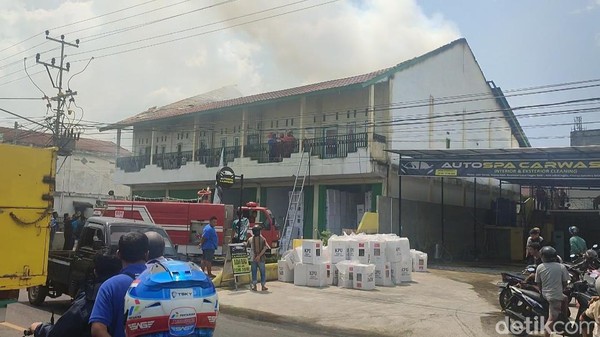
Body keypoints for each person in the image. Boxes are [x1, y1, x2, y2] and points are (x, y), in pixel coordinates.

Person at [30, 254, 121, 337]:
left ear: (95, 272)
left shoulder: (87, 303)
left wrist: (39, 328)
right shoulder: (129, 296)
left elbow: (59, 333)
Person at [90, 232, 149, 337]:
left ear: (118, 254)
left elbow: (98, 329)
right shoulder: (162, 281)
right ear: (147, 254)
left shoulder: (111, 286)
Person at [535, 246, 570, 337]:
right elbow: (565, 283)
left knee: (565, 298)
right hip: (554, 296)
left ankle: (563, 318)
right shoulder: (561, 267)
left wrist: (541, 290)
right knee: (551, 319)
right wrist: (561, 289)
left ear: (543, 257)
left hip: (545, 293)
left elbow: (538, 283)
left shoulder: (540, 267)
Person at [247, 226, 270, 292]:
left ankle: (255, 286)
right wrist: (259, 256)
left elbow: (247, 248)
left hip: (253, 258)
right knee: (262, 272)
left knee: (254, 272)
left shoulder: (250, 239)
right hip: (261, 258)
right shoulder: (263, 239)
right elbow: (265, 248)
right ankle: (263, 286)